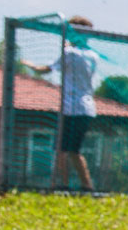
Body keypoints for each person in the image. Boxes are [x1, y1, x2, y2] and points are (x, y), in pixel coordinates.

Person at [23, 16, 98, 191]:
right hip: (87, 108)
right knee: (73, 150)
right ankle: (86, 186)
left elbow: (45, 70)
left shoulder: (69, 53)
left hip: (71, 108)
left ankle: (63, 185)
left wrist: (31, 65)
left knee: (62, 149)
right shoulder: (93, 55)